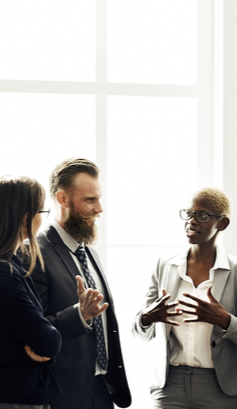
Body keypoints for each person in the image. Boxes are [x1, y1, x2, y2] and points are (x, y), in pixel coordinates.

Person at [133, 187, 237, 409]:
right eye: (188, 214)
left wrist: (224, 320)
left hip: (220, 386)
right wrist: (146, 318)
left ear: (222, 223)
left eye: (201, 215)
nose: (191, 221)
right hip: (169, 384)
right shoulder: (165, 265)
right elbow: (139, 331)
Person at [29, 158, 131, 409]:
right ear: (62, 200)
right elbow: (33, 332)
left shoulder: (90, 253)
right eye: (90, 200)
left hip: (103, 389)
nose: (100, 209)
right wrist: (79, 314)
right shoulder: (34, 253)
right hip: (64, 392)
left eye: (98, 198)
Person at [0, 175, 62, 408]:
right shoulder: (4, 273)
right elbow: (48, 341)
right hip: (14, 396)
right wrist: (46, 343)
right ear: (26, 217)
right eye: (42, 212)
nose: (43, 220)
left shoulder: (13, 263)